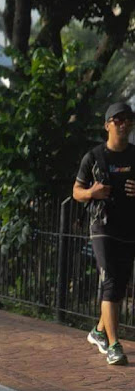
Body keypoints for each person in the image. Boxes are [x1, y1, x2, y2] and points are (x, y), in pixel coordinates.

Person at [73, 101, 135, 365]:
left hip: (129, 227)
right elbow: (76, 192)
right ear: (107, 125)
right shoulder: (94, 157)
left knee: (119, 286)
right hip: (102, 226)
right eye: (118, 120)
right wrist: (92, 193)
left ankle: (99, 331)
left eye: (128, 120)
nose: (124, 124)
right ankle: (113, 345)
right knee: (109, 281)